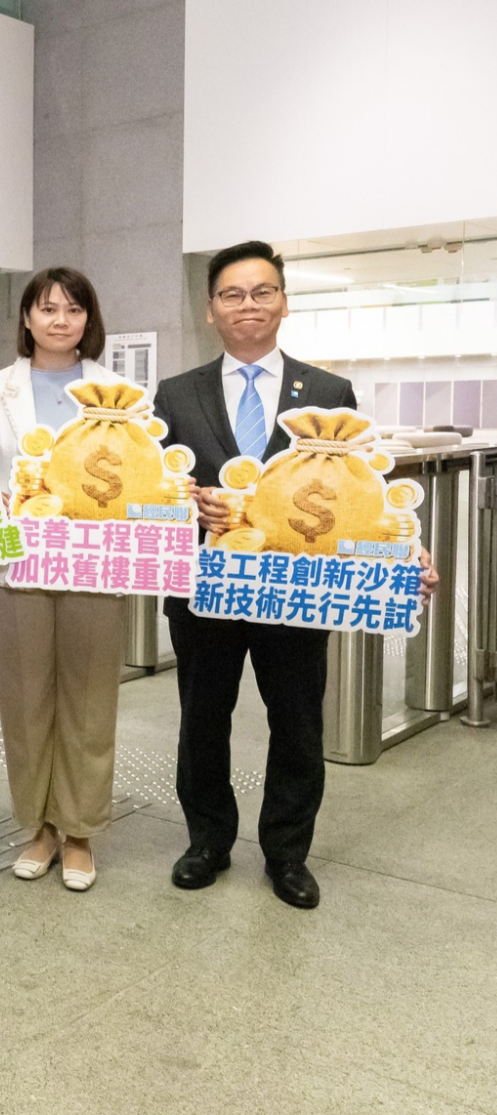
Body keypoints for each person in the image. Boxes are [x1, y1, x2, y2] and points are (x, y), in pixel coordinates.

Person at [155, 240, 434, 910]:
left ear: (283, 301)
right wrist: (188, 503)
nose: (247, 304)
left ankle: (286, 853)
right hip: (206, 587)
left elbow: (359, 493)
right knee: (202, 718)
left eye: (261, 291)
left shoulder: (330, 393)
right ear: (210, 309)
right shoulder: (175, 393)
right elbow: (156, 487)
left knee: (298, 720)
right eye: (231, 294)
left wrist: (404, 550)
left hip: (300, 587)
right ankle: (207, 841)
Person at [0, 267, 125, 892]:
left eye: (74, 309)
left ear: (89, 319)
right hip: (18, 564)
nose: (61, 320)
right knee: (25, 699)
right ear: (27, 318)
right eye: (48, 308)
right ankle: (37, 826)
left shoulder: (117, 391)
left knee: (90, 699)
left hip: (95, 562)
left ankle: (79, 830)